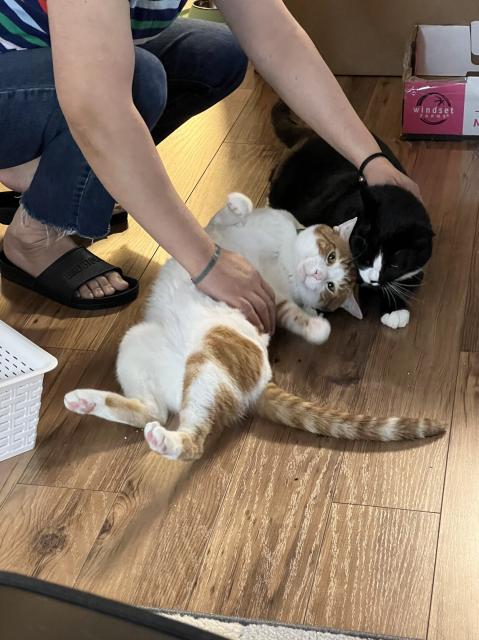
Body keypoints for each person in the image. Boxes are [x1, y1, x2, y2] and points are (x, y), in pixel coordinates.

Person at [0, 0, 420, 335]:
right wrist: (204, 260)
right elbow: (97, 107)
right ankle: (34, 237)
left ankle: (64, 176)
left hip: (49, 54)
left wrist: (371, 158)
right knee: (138, 81)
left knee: (217, 51)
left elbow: (275, 36)